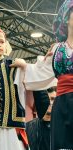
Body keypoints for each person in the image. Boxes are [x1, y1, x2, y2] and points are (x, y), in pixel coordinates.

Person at [11, 0, 73, 149]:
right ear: (66, 17)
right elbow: (40, 73)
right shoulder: (58, 49)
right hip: (63, 105)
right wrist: (24, 65)